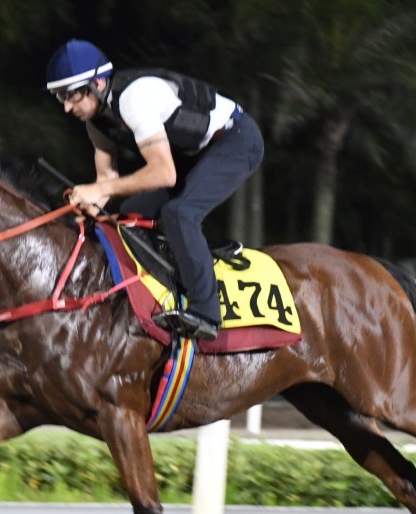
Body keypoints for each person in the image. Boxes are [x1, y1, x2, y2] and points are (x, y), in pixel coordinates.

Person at [46, 39, 264, 341]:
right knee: (130, 215)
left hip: (236, 140)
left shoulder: (135, 99)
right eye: (60, 98)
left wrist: (100, 190)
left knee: (179, 212)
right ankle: (174, 281)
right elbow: (106, 179)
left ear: (97, 83)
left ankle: (206, 312)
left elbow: (164, 173)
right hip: (194, 154)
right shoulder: (96, 123)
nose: (68, 107)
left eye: (71, 96)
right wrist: (87, 205)